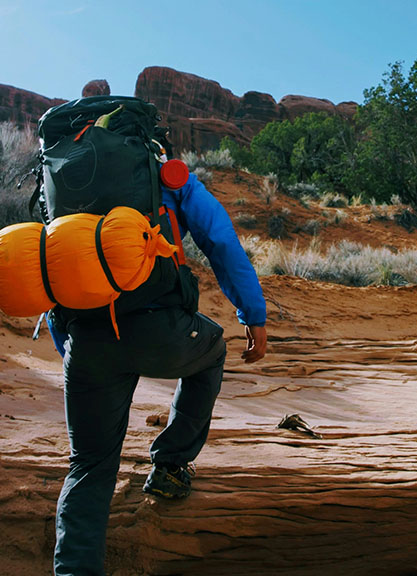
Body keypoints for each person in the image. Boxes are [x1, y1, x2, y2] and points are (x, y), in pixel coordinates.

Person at [50, 147, 268, 576]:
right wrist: (253, 314)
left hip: (88, 337)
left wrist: (68, 348)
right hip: (160, 329)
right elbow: (220, 240)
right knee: (213, 350)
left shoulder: (65, 182)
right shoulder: (166, 175)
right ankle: (170, 465)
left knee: (89, 465)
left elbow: (50, 263)